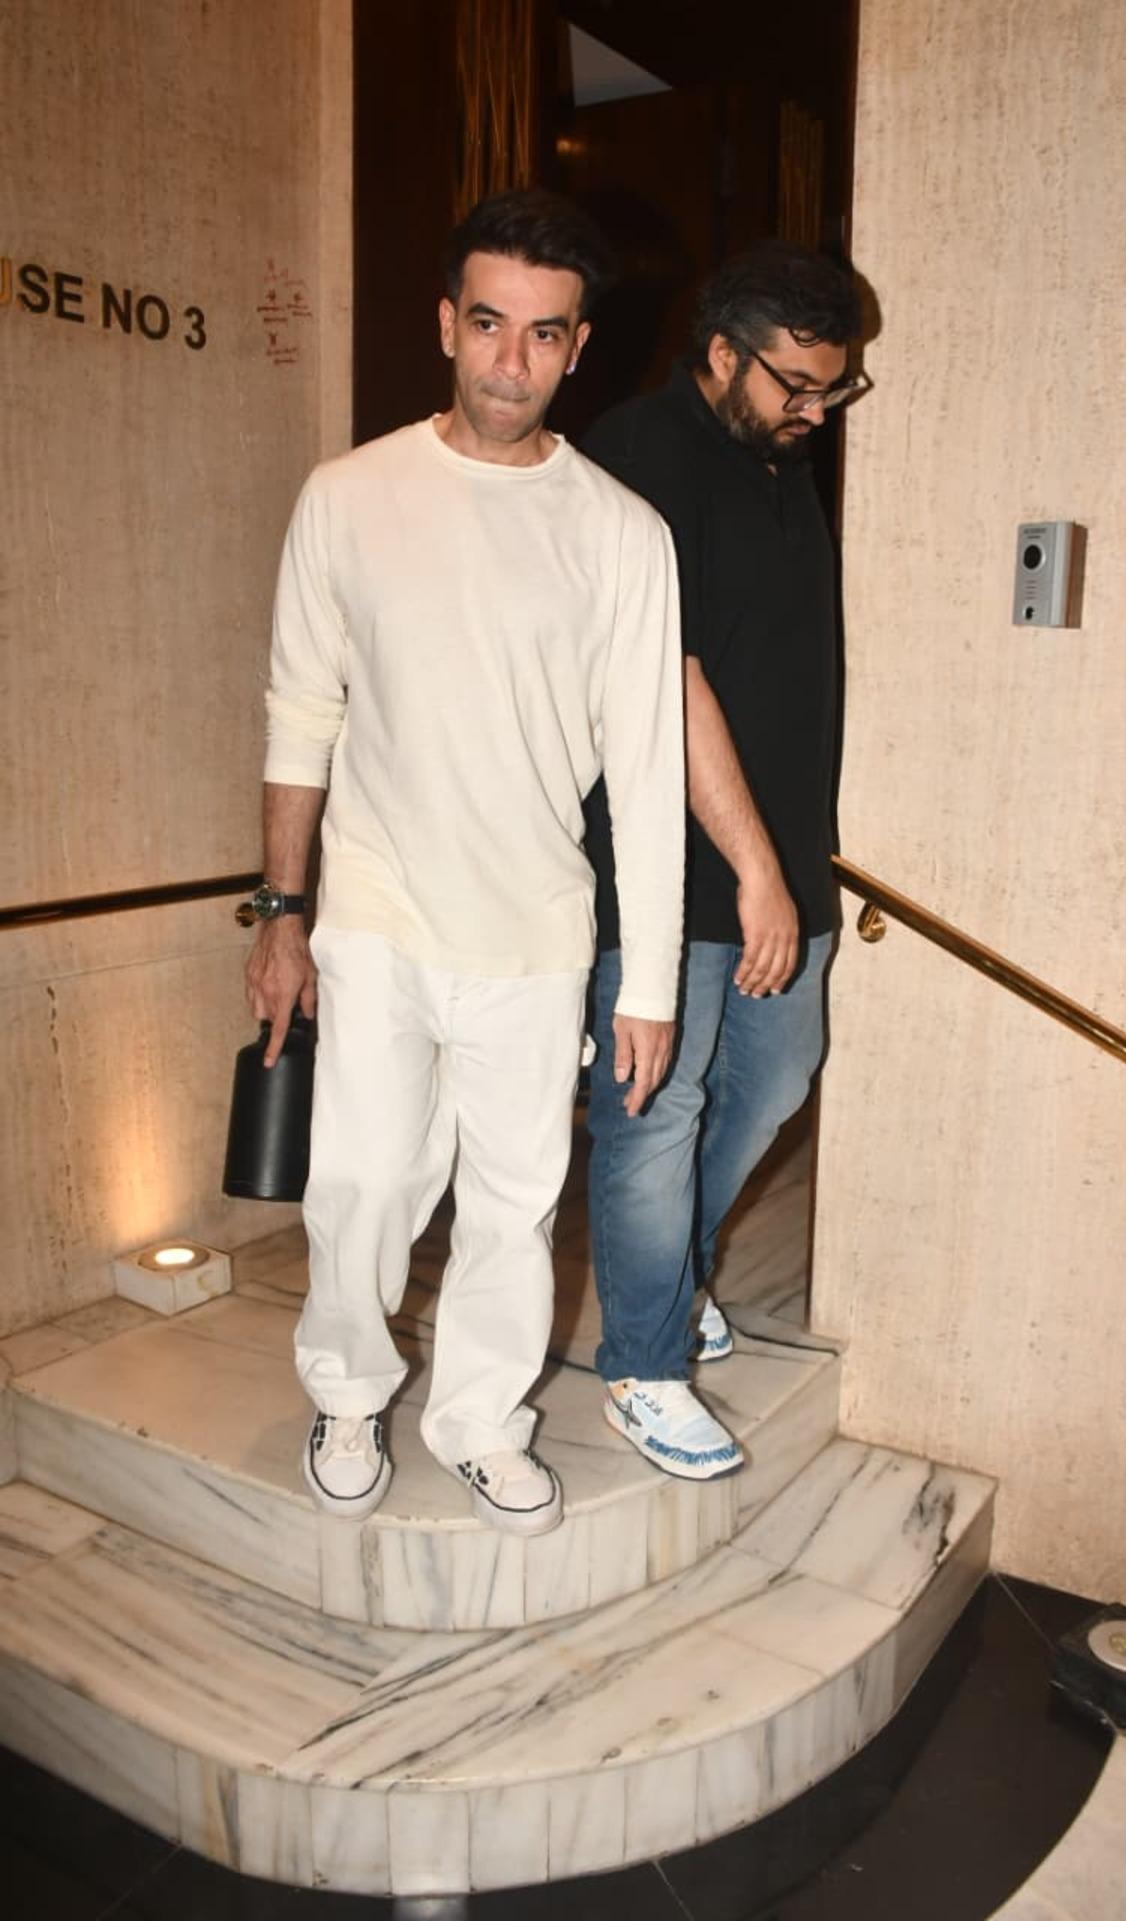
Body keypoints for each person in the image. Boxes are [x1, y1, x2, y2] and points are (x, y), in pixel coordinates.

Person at [242, 189, 685, 1537]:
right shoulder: (350, 495)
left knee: (512, 1202)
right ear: (447, 322)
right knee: (367, 1178)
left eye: (543, 335)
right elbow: (298, 711)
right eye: (487, 325)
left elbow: (651, 769)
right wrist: (279, 911)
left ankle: (481, 1418)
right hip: (374, 906)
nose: (510, 362)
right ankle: (349, 1385)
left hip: (538, 930)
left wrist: (647, 980)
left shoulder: (621, 532)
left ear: (578, 346)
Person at [582, 241, 863, 1479]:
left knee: (778, 1072)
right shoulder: (638, 460)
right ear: (717, 351)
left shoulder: (774, 459)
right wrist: (753, 868)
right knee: (658, 1109)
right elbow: (669, 680)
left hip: (779, 859)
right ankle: (640, 1368)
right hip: (669, 865)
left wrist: (800, 862)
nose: (813, 409)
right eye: (794, 383)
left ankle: (669, 1278)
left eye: (829, 387)